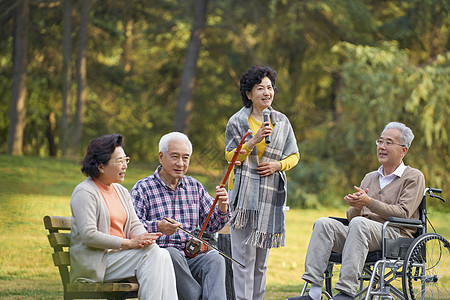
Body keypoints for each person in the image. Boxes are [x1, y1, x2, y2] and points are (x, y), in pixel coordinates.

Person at [287, 122, 425, 300]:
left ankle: (346, 292)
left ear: (403, 150)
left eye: (389, 143)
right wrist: (357, 207)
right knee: (324, 224)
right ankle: (314, 292)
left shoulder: (413, 176)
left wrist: (369, 202)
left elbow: (403, 213)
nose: (382, 147)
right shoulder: (370, 177)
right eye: (380, 142)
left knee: (360, 224)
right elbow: (353, 219)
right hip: (362, 233)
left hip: (395, 234)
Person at [69, 134, 178, 300]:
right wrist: (129, 243)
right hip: (97, 262)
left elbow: (134, 224)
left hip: (120, 258)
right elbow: (89, 235)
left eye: (125, 159)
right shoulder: (85, 192)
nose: (125, 165)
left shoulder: (121, 191)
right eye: (119, 161)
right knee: (152, 255)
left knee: (162, 254)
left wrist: (143, 237)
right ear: (101, 167)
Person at [225, 65, 300, 300]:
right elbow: (231, 157)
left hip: (269, 197)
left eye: (270, 88)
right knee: (242, 258)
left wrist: (278, 165)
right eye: (261, 88)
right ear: (249, 94)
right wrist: (252, 141)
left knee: (260, 261)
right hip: (244, 198)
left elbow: (294, 155)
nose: (267, 93)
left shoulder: (282, 121)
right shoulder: (237, 122)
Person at [130, 132, 231, 300]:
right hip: (161, 258)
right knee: (171, 253)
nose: (180, 163)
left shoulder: (195, 187)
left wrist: (222, 207)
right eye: (175, 157)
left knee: (215, 259)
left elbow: (213, 225)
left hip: (192, 255)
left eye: (185, 158)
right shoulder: (143, 188)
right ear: (161, 157)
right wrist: (158, 227)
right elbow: (132, 226)